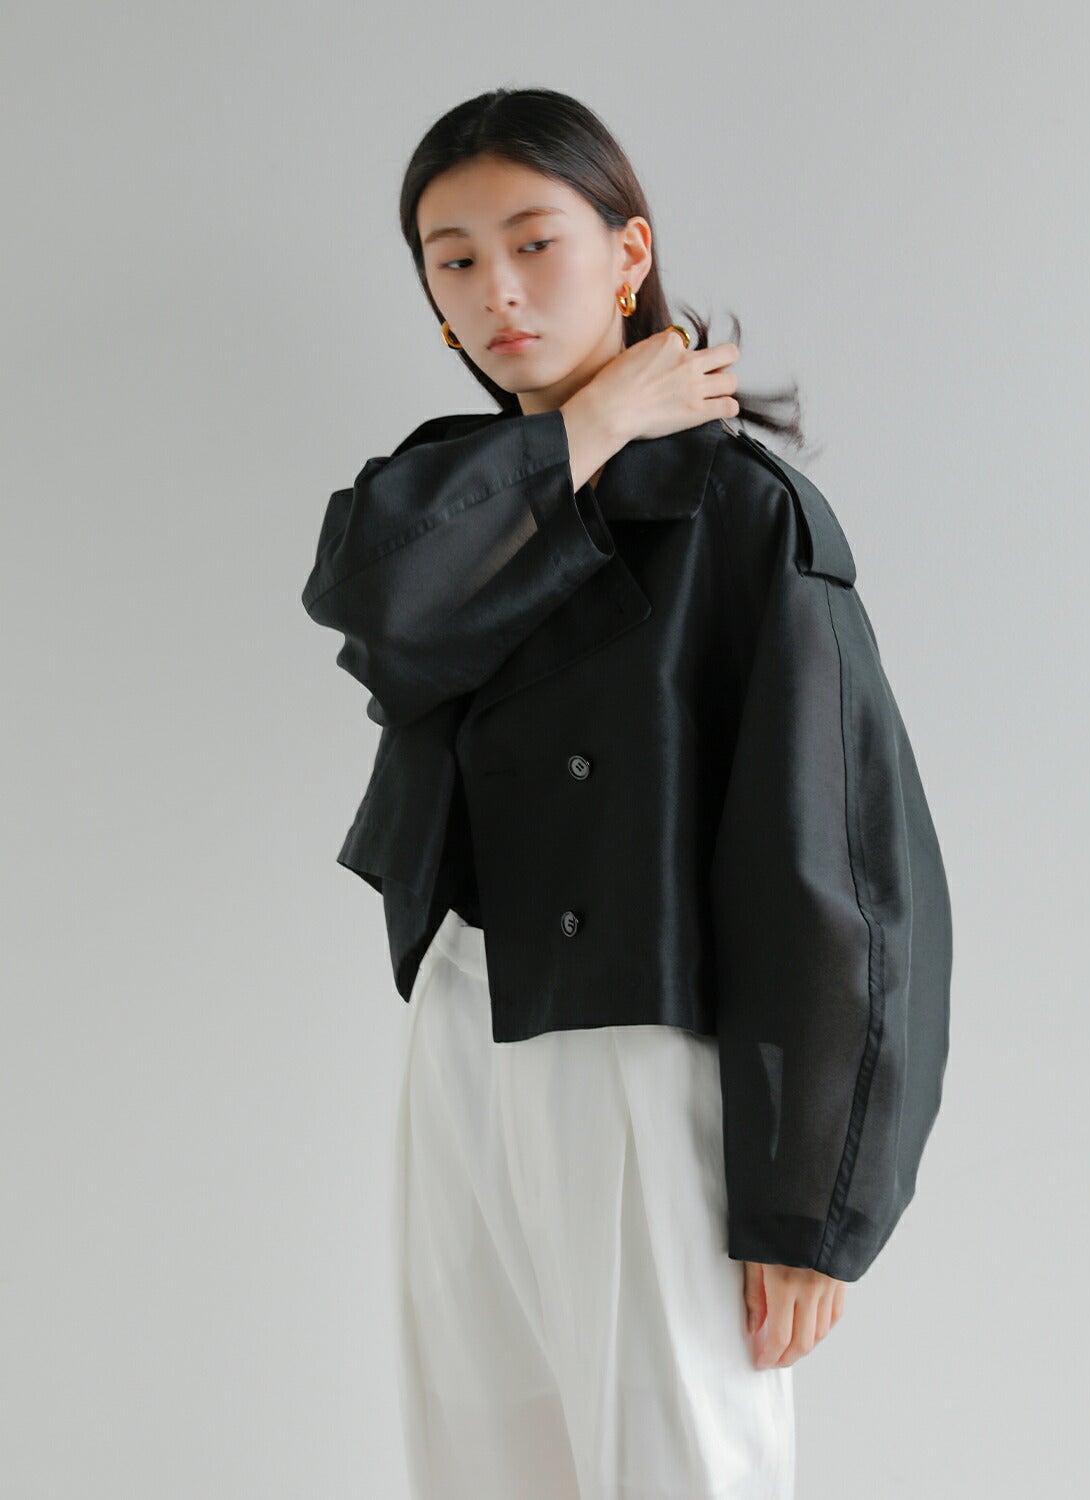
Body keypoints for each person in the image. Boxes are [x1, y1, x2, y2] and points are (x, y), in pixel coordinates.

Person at [301, 87, 952, 1500]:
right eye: (454, 259)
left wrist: (814, 1201)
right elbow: (376, 606)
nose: (498, 289)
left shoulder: (743, 514)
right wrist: (590, 423)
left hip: (650, 1049)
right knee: (478, 1458)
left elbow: (841, 863)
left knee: (678, 1466)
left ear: (628, 251)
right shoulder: (444, 495)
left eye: (535, 242)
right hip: (465, 1018)